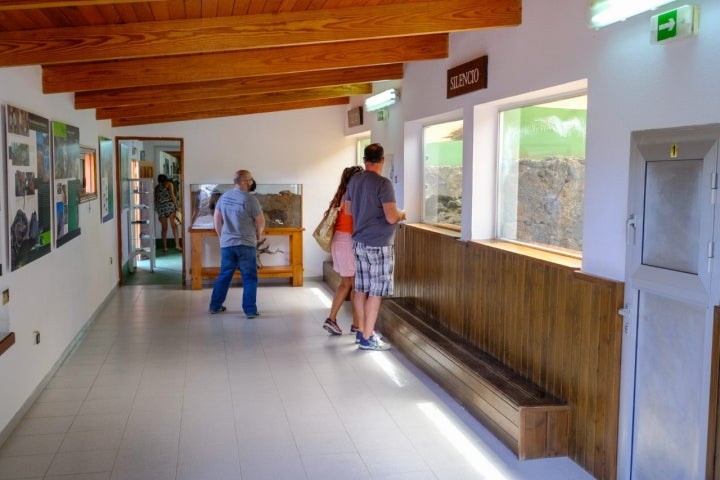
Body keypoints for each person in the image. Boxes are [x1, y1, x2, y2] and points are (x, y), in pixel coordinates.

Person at [345, 143, 406, 351]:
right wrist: (402, 214)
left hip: (359, 242)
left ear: (364, 160)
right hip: (379, 244)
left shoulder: (354, 180)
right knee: (376, 291)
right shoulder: (383, 183)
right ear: (381, 161)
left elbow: (348, 210)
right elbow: (391, 217)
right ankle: (368, 337)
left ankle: (362, 331)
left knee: (361, 289)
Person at [208, 170, 265, 319]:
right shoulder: (251, 200)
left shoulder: (224, 197)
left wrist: (222, 236)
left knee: (225, 275)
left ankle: (215, 306)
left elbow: (217, 219)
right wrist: (259, 233)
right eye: (251, 180)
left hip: (227, 244)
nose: (252, 183)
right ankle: (250, 310)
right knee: (250, 277)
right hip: (246, 243)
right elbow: (260, 220)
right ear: (245, 182)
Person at [322, 165, 364, 336]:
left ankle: (349, 323)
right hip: (347, 242)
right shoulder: (351, 196)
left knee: (346, 284)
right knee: (355, 286)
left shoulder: (341, 194)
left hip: (339, 241)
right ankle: (355, 325)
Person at [154, 174, 182, 252]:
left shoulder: (156, 187)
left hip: (161, 208)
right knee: (174, 227)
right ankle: (177, 245)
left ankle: (165, 247)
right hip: (169, 205)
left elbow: (155, 199)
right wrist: (176, 207)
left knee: (164, 228)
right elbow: (172, 195)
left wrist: (157, 208)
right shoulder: (169, 184)